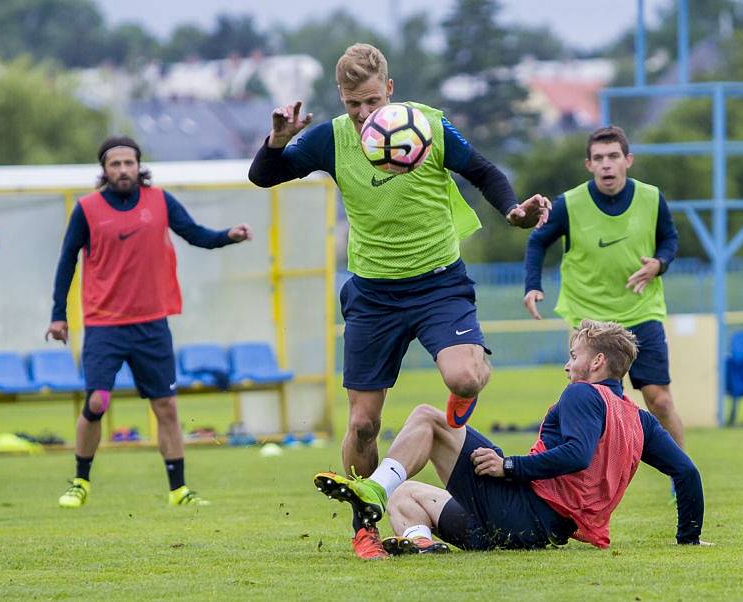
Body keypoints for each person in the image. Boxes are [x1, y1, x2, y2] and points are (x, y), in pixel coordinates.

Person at [248, 43, 550, 558]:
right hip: (373, 293)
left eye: (370, 101)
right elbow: (263, 176)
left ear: (389, 89)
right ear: (341, 100)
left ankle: (461, 397)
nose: (363, 114)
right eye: (352, 104)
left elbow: (484, 171)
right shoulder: (332, 139)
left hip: (438, 283)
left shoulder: (427, 126)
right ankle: (364, 527)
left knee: (465, 377)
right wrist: (275, 144)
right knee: (363, 424)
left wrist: (512, 212)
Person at [314, 319, 706, 557]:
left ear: (598, 362)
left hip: (524, 514)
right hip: (530, 531)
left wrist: (508, 466)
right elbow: (687, 473)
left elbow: (577, 454)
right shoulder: (641, 421)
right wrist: (688, 539)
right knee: (407, 492)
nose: (568, 365)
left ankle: (374, 491)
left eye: (574, 355)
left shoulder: (583, 393)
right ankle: (419, 541)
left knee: (428, 419)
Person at [46, 135, 253, 509]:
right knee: (97, 401)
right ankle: (80, 481)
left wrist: (228, 237)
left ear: (138, 167)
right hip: (104, 325)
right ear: (104, 170)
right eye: (115, 164)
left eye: (129, 163)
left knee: (166, 408)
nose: (123, 170)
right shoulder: (87, 209)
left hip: (151, 324)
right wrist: (58, 315)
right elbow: (67, 261)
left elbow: (195, 235)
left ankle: (179, 490)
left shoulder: (159, 201)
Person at [523, 126, 685, 450]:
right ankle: (579, 480)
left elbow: (670, 240)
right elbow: (537, 241)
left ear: (628, 160)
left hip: (640, 310)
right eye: (598, 158)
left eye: (613, 156)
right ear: (588, 165)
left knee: (660, 400)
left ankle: (682, 476)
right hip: (590, 322)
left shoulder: (652, 198)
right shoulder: (569, 204)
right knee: (589, 405)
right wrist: (532, 286)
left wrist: (659, 264)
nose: (606, 164)